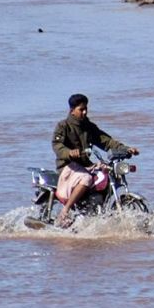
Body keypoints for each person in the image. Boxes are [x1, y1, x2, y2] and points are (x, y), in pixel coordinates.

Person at [52, 93, 139, 228]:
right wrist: (69, 152)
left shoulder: (89, 126)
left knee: (106, 173)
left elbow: (106, 141)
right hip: (68, 167)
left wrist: (126, 149)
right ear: (72, 110)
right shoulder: (63, 126)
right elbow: (57, 146)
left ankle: (95, 214)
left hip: (84, 166)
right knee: (86, 178)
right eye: (81, 109)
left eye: (86, 109)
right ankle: (65, 210)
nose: (85, 112)